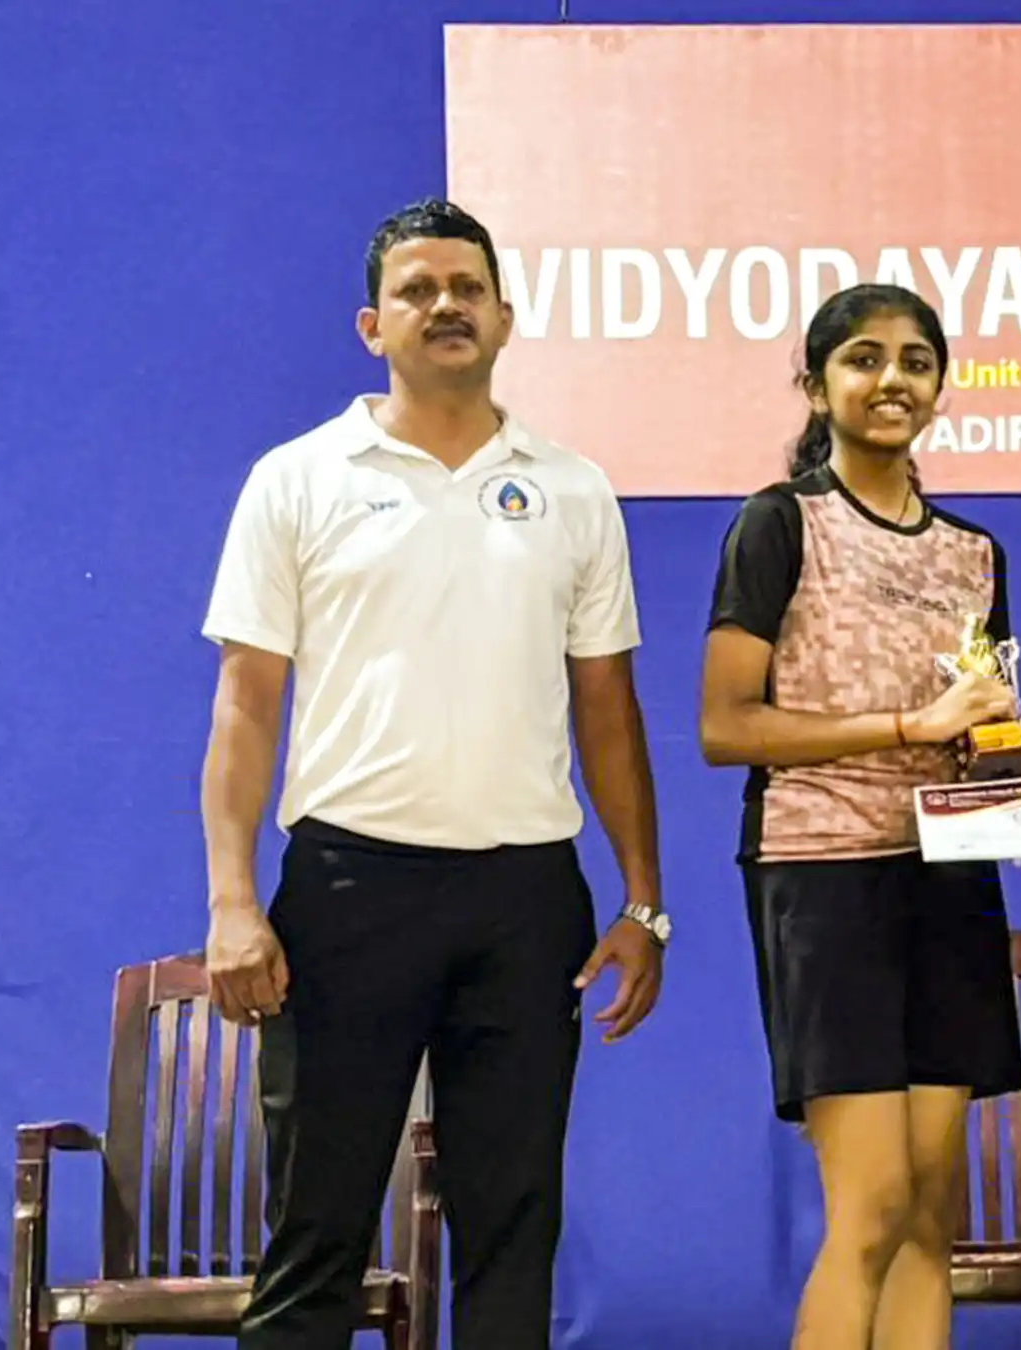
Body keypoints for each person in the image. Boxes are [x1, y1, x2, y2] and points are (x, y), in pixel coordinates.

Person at [197, 197, 669, 1350]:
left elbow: (607, 707)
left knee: (513, 1230)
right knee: (316, 1232)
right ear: (373, 326)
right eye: (417, 290)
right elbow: (247, 705)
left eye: (466, 288)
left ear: (506, 317)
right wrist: (231, 901)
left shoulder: (572, 488)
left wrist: (643, 900)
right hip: (349, 892)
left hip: (524, 900)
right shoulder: (297, 478)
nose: (444, 306)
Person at [697, 283, 1021, 1350]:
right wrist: (903, 723)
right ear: (818, 383)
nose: (893, 381)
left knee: (932, 1211)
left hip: (947, 875)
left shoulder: (976, 553)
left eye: (916, 361)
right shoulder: (780, 523)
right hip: (824, 871)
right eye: (865, 359)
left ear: (940, 384)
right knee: (873, 1206)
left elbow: (980, 730)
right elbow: (726, 726)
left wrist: (1014, 760)